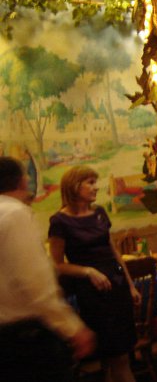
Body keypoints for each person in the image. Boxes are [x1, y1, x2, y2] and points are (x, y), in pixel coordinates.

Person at [0, 156, 95, 382]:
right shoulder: (15, 214)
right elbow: (35, 282)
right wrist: (72, 327)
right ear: (23, 181)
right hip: (23, 338)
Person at [48, 166, 141, 382]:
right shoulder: (60, 221)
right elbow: (57, 265)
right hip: (94, 294)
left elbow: (113, 251)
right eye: (90, 182)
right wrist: (88, 271)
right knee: (112, 356)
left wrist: (130, 285)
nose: (96, 187)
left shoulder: (99, 212)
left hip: (117, 288)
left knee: (121, 356)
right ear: (74, 186)